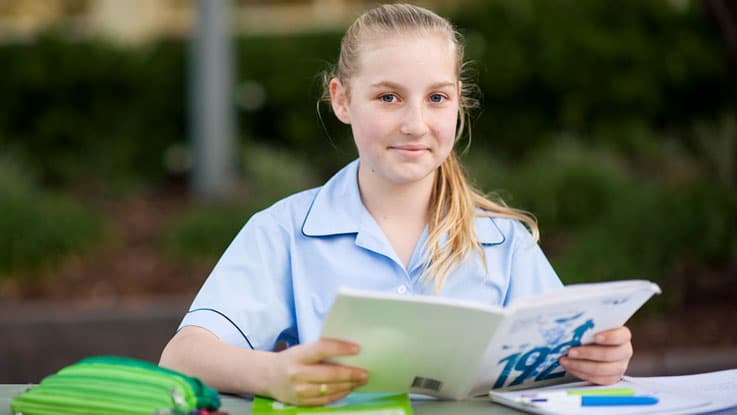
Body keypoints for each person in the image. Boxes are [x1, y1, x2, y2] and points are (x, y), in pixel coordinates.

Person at [159, 3, 633, 406]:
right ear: (342, 101)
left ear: (457, 104)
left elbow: (565, 358)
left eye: (436, 98)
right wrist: (272, 373)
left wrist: (602, 358)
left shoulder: (505, 243)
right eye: (388, 97)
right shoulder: (282, 232)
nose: (414, 123)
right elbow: (182, 356)